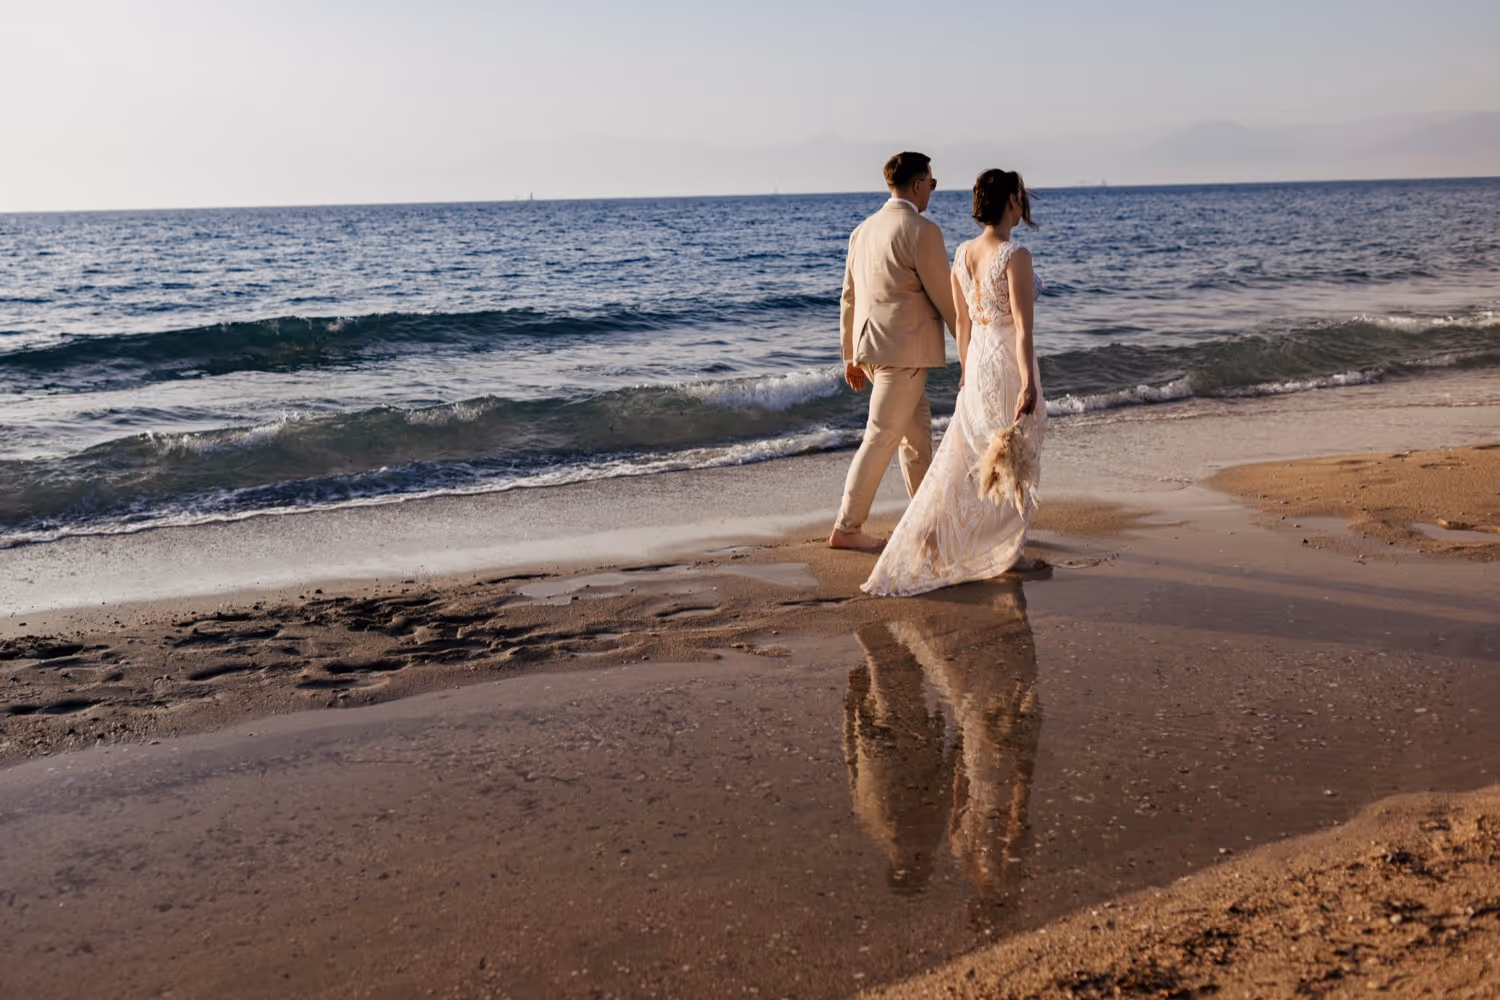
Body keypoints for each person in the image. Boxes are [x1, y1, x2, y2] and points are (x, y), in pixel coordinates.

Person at [862, 169, 1046, 597]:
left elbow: (961, 322)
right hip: (1005, 364)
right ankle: (1007, 549)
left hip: (978, 360)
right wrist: (1028, 383)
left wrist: (966, 370)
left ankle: (953, 538)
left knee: (982, 453)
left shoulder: (962, 254)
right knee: (1017, 448)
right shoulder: (1015, 255)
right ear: (1011, 204)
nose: (1022, 206)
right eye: (1019, 200)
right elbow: (1022, 328)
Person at [828, 152, 958, 554]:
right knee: (881, 437)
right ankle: (847, 527)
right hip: (903, 354)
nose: (931, 192)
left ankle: (924, 523)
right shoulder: (922, 230)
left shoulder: (863, 230)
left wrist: (850, 354)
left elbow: (848, 299)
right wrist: (971, 344)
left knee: (916, 437)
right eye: (931, 185)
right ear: (918, 185)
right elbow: (946, 298)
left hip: (871, 348)